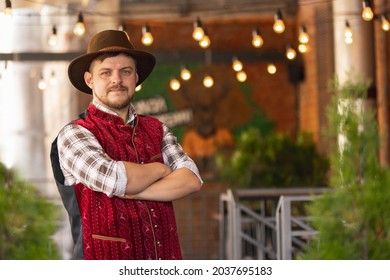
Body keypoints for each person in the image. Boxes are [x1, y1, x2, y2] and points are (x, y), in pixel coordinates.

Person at [50, 29, 203, 260]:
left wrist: (131, 190)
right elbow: (116, 179)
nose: (117, 80)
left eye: (125, 71)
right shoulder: (74, 134)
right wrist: (161, 170)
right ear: (89, 80)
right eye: (106, 72)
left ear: (136, 78)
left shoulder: (157, 129)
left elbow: (191, 180)